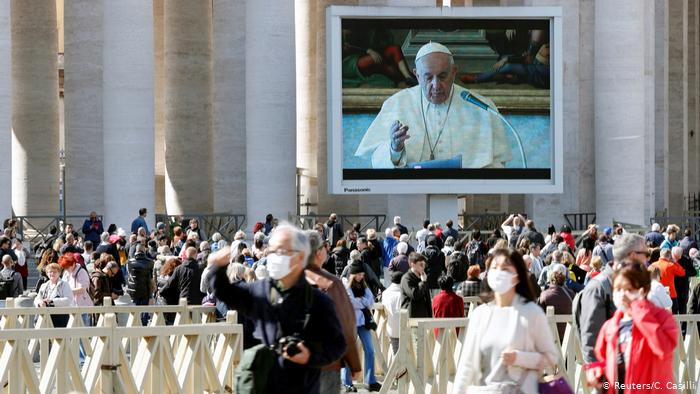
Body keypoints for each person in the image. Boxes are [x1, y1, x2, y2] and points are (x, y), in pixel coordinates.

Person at [209, 224, 347, 394]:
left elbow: (338, 344)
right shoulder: (259, 290)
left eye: (281, 251)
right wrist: (218, 268)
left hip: (301, 386)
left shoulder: (318, 301)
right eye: (271, 251)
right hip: (261, 384)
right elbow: (227, 294)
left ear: (300, 256)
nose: (274, 257)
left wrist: (310, 356)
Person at [354, 41, 511, 169]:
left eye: (443, 76)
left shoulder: (481, 106)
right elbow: (377, 162)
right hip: (412, 198)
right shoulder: (397, 103)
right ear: (416, 74)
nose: (436, 85)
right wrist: (395, 149)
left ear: (454, 72)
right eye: (428, 78)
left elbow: (497, 164)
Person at [453, 248, 558, 393]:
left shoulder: (532, 313)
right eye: (495, 267)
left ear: (517, 276)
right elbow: (466, 366)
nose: (499, 272)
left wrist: (520, 358)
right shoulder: (480, 314)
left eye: (505, 268)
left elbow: (551, 357)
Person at [585, 265, 678, 393]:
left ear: (643, 291)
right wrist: (597, 371)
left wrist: (639, 309)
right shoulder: (610, 325)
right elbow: (602, 357)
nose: (622, 295)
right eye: (618, 289)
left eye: (629, 289)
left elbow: (664, 348)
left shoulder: (662, 318)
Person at [303, 231, 361, 394]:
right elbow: (346, 324)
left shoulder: (288, 281)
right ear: (318, 252)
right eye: (324, 246)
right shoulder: (331, 283)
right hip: (326, 361)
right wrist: (353, 363)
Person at [577, 233, 648, 364]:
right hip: (612, 375)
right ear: (633, 255)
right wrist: (601, 378)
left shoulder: (635, 283)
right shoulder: (598, 286)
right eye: (645, 254)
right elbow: (591, 339)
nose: (647, 260)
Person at [342, 263, 381, 393]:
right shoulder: (346, 287)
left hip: (363, 323)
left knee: (370, 350)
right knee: (349, 352)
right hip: (350, 323)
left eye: (362, 274)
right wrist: (363, 301)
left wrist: (361, 301)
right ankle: (347, 383)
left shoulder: (364, 286)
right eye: (358, 274)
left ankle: (370, 381)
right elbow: (350, 302)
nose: (361, 277)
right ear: (353, 274)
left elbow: (371, 301)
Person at [34, 262, 72, 327]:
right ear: (47, 273)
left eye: (54, 272)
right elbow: (37, 299)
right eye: (50, 272)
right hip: (45, 317)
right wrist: (40, 303)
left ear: (59, 273)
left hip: (60, 317)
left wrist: (52, 302)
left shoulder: (64, 284)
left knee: (59, 336)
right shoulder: (44, 285)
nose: (52, 274)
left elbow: (68, 300)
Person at [126, 245, 156, 325]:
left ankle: (135, 325)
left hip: (133, 289)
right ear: (144, 251)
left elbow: (129, 274)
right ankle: (143, 325)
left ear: (136, 251)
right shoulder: (150, 262)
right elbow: (151, 278)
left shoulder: (130, 262)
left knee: (135, 309)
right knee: (144, 309)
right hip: (145, 289)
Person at [538, 271, 572, 341]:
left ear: (550, 281)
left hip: (549, 337)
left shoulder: (544, 295)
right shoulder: (571, 294)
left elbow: (538, 316)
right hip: (567, 337)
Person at [652, 248, 686, 313]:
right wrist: (675, 262)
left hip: (655, 294)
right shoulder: (670, 265)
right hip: (671, 294)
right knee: (673, 317)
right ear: (669, 256)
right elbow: (682, 272)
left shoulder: (653, 265)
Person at [400, 252, 432, 318]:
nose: (423, 267)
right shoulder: (406, 278)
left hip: (424, 316)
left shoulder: (423, 276)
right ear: (412, 265)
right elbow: (415, 295)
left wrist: (429, 315)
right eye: (421, 265)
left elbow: (427, 298)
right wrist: (423, 283)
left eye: (424, 265)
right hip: (412, 317)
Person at [381, 271, 404, 355]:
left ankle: (395, 367)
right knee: (405, 353)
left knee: (395, 351)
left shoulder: (385, 293)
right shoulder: (404, 293)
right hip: (404, 327)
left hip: (391, 326)